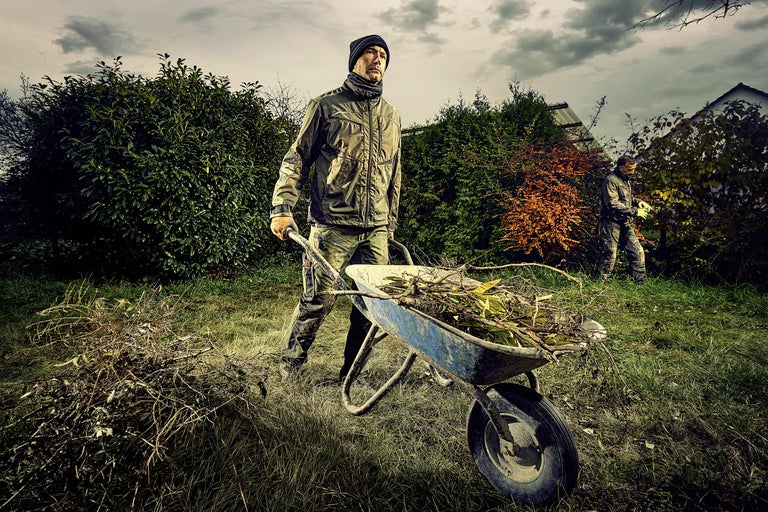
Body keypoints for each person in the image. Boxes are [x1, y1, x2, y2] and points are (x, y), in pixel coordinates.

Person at [269, 34, 401, 381]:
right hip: (332, 226)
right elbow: (296, 159)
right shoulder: (326, 106)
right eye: (370, 53)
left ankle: (350, 376)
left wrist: (390, 224)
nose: (377, 59)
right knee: (317, 301)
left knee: (371, 309)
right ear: (354, 60)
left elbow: (394, 175)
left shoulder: (392, 117)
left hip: (375, 229)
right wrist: (282, 207)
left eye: (383, 55)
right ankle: (290, 369)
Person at [597, 155, 651, 285]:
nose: (632, 172)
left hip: (624, 222)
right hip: (610, 223)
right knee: (610, 254)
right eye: (629, 169)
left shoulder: (625, 179)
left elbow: (626, 199)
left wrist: (639, 202)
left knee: (637, 251)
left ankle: (639, 285)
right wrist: (635, 212)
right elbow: (612, 203)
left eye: (633, 169)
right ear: (621, 167)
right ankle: (601, 285)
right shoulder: (611, 180)